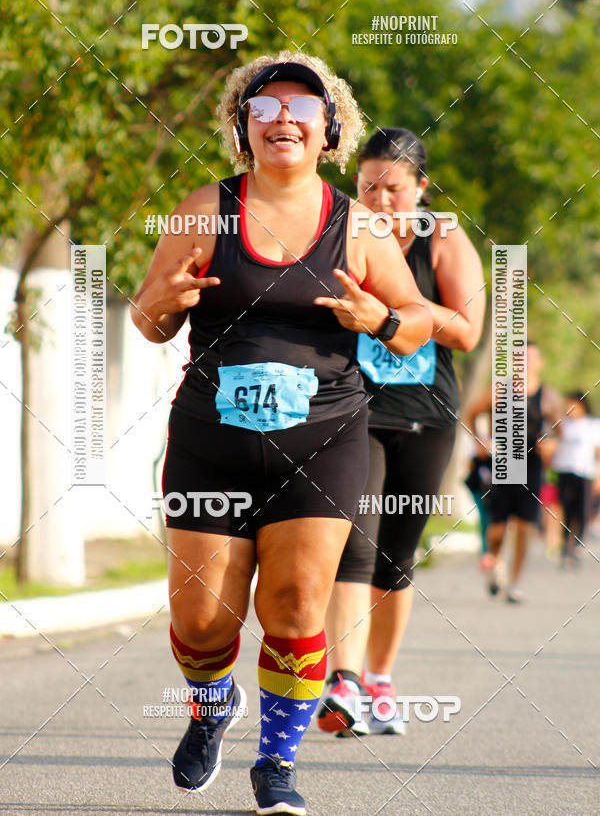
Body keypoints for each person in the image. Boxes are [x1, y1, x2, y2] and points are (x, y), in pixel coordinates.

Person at [130, 55, 432, 815]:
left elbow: (419, 321)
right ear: (243, 127)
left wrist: (384, 321)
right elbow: (149, 318)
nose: (284, 119)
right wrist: (158, 304)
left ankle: (277, 762)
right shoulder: (204, 209)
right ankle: (209, 705)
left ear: (330, 130)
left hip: (325, 439)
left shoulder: (357, 226)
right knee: (201, 620)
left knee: (297, 605)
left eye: (303, 107)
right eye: (265, 107)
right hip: (210, 442)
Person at [317, 128, 485, 737]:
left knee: (396, 557)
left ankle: (381, 679)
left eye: (393, 187)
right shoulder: (342, 232)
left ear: (420, 187)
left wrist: (396, 314)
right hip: (353, 409)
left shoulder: (443, 237)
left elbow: (467, 333)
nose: (380, 199)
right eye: (367, 187)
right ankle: (346, 682)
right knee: (353, 545)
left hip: (427, 415)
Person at [467, 341, 563, 603]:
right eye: (522, 358)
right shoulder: (499, 389)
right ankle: (496, 563)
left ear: (540, 362)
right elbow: (472, 413)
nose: (527, 363)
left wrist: (551, 445)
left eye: (532, 358)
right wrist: (481, 440)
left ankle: (515, 583)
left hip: (532, 466)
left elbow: (558, 431)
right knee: (498, 526)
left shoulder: (548, 396)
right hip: (503, 462)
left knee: (524, 526)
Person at [551, 391, 600, 566]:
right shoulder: (562, 424)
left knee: (583, 510)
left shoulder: (593, 425)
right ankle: (566, 545)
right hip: (564, 470)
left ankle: (577, 543)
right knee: (566, 509)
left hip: (585, 472)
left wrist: (598, 476)